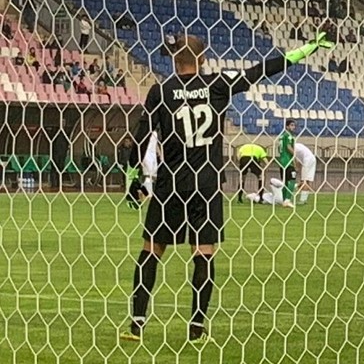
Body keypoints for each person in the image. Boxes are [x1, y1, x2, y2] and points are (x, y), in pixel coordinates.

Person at [119, 32, 333, 343]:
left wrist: (132, 178)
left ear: (174, 59)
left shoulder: (160, 91)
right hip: (206, 182)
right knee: (203, 253)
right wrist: (305, 50)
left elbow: (142, 137)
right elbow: (261, 70)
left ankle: (136, 325)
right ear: (203, 60)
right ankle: (196, 328)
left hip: (171, 182)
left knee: (151, 250)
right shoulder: (216, 85)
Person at [277, 119, 297, 208]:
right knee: (292, 180)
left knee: (285, 182)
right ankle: (287, 200)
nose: (293, 127)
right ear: (287, 126)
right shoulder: (288, 136)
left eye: (294, 125)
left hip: (281, 161)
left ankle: (284, 200)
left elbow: (279, 149)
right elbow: (289, 147)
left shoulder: (281, 136)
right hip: (288, 161)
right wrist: (294, 156)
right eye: (292, 125)